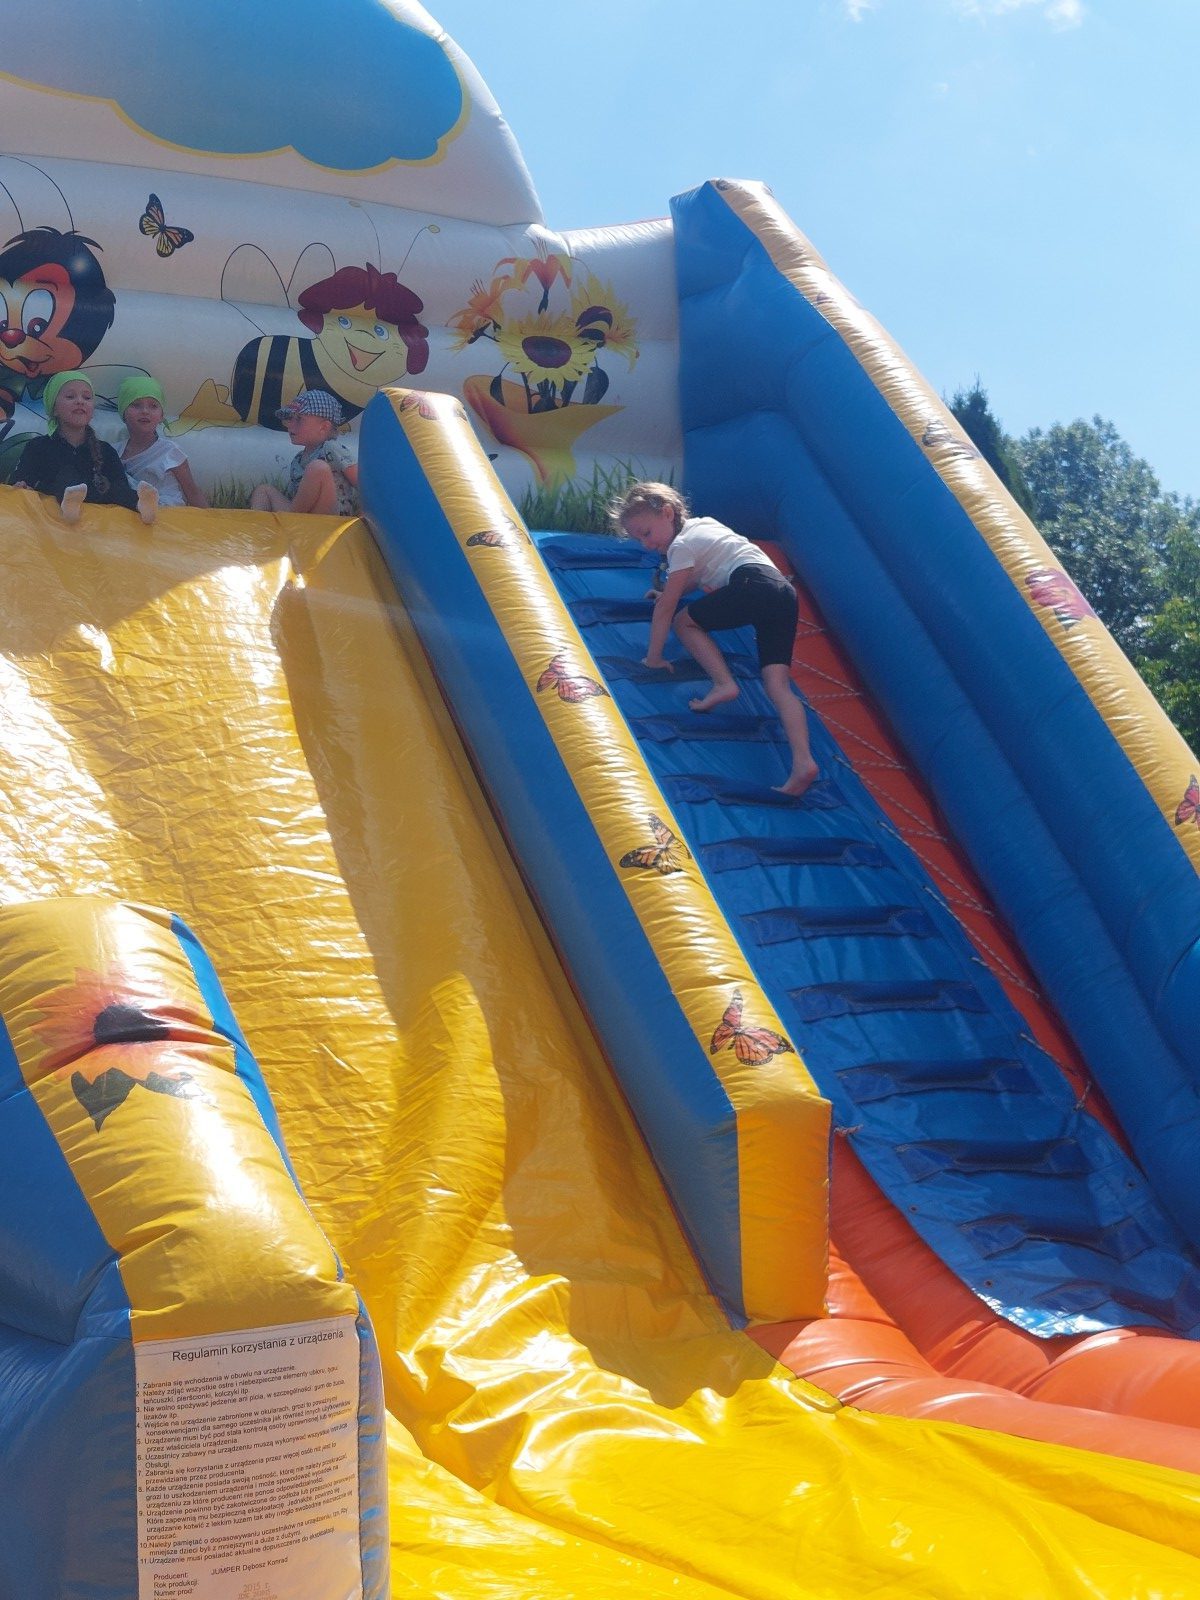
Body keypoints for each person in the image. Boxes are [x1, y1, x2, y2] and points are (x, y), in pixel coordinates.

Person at [611, 481, 818, 797]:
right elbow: (693, 579)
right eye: (639, 539)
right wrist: (667, 592)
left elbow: (667, 608)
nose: (646, 544)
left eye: (647, 533)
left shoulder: (681, 546)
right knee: (777, 685)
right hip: (783, 593)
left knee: (684, 622)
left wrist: (654, 657)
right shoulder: (704, 525)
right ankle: (803, 762)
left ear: (667, 513)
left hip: (753, 585)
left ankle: (724, 684)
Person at [7, 370, 145, 522]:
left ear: (92, 410)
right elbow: (20, 480)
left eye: (86, 397)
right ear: (54, 409)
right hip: (53, 524)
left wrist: (136, 500)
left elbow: (120, 486)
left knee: (119, 490)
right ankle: (69, 504)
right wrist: (21, 486)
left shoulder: (106, 450)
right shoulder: (38, 447)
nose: (80, 401)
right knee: (68, 475)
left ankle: (143, 506)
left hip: (96, 526)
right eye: (70, 396)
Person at [249, 388, 358, 515]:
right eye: (290, 419)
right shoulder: (298, 459)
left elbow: (362, 485)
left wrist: (365, 516)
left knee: (318, 468)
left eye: (299, 419)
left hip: (331, 519)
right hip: (304, 518)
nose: (290, 425)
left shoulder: (332, 448)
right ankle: (257, 525)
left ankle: (291, 517)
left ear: (323, 427)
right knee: (263, 491)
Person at [118, 376, 208, 511]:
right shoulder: (114, 452)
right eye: (136, 405)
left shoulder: (170, 451)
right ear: (123, 413)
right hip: (132, 516)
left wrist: (211, 519)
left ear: (161, 416)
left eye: (153, 406)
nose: (145, 411)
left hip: (169, 515)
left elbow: (192, 492)